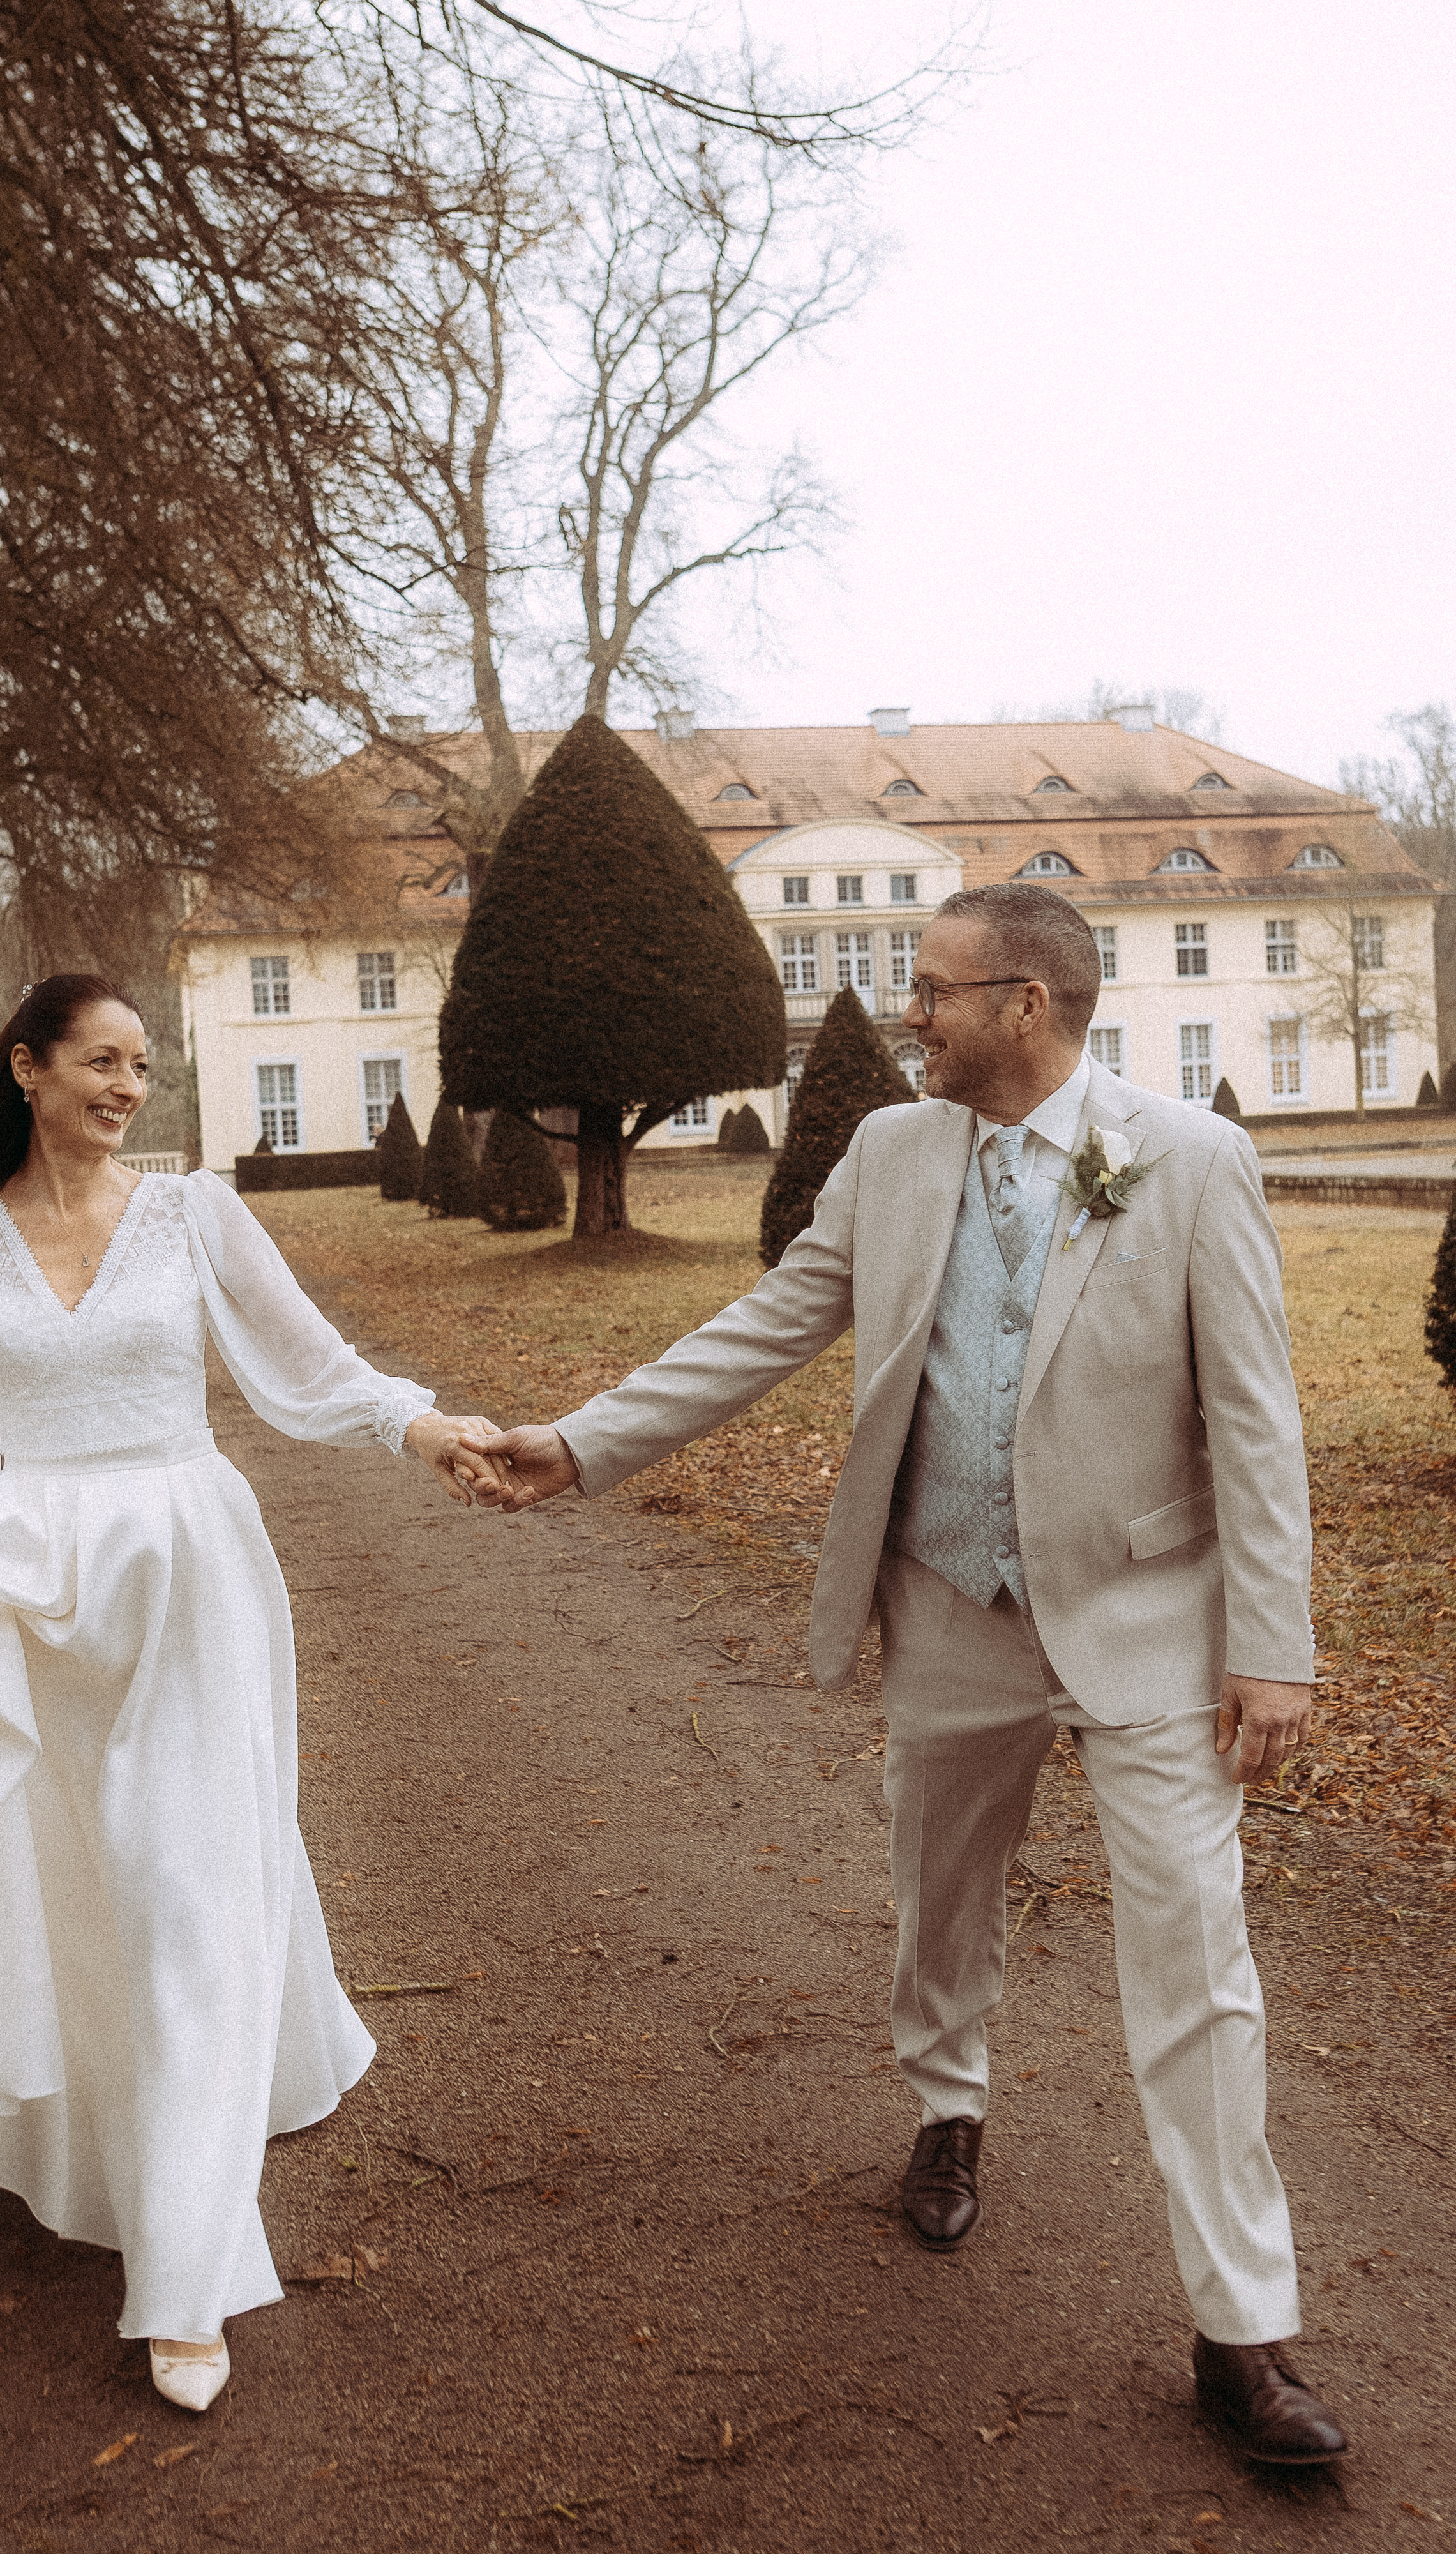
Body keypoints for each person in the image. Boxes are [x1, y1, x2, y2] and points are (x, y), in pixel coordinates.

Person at [476, 885, 1346, 2468]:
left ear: (1028, 1002)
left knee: (1199, 1963)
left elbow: (1261, 1415)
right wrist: (582, 1441)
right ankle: (951, 2104)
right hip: (949, 1599)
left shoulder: (1190, 1159)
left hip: (1148, 1617)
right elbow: (768, 1325)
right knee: (940, 1897)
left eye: (931, 989)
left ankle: (1244, 2329)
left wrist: (1272, 1642)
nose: (898, 1013)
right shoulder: (888, 1154)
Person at [0, 974, 506, 2414]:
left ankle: (189, 2267)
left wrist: (426, 1426)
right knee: (63, 1891)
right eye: (100, 1060)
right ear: (25, 1068)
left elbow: (311, 1365)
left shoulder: (194, 1213)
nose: (126, 1086)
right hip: (35, 1600)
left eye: (141, 1066)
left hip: (188, 1580)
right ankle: (75, 2143)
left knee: (187, 1890)